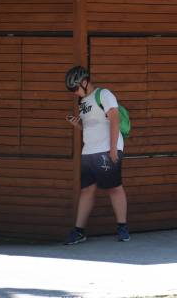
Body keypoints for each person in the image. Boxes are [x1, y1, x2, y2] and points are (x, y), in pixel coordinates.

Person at [64, 66, 130, 244]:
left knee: (114, 187)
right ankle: (79, 231)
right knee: (86, 190)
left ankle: (122, 227)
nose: (74, 92)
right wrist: (77, 124)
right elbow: (91, 126)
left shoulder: (104, 94)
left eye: (75, 88)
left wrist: (113, 149)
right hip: (89, 151)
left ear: (85, 82)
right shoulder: (83, 102)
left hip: (106, 149)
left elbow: (114, 119)